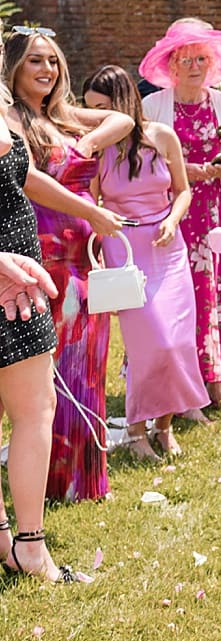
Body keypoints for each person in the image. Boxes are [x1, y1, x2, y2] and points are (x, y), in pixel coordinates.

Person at [3, 29, 132, 503]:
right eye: (35, 61)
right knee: (49, 370)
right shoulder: (11, 117)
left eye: (53, 62)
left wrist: (89, 139)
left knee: (88, 364)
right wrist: (91, 212)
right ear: (14, 66)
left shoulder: (60, 116)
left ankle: (85, 479)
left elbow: (121, 118)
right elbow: (28, 178)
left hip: (83, 255)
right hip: (42, 252)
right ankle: (51, 479)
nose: (46, 71)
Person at [0, 40, 91, 582]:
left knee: (31, 408)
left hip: (20, 281)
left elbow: (21, 175)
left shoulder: (1, 103)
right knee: (34, 411)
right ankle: (31, 552)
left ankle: (10, 543)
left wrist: (89, 213)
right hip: (10, 282)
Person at [84, 65, 210, 457]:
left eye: (101, 108)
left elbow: (183, 191)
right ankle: (137, 433)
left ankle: (164, 425)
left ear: (121, 104)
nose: (95, 118)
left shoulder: (162, 136)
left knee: (174, 342)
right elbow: (89, 204)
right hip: (123, 250)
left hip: (167, 247)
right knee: (148, 345)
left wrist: (173, 221)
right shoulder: (97, 147)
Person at [140, 21, 221, 415]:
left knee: (213, 292)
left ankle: (215, 385)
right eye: (186, 59)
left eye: (202, 58)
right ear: (171, 65)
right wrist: (192, 172)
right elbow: (147, 166)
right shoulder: (154, 106)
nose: (195, 66)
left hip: (212, 211)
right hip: (172, 212)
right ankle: (184, 391)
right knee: (180, 297)